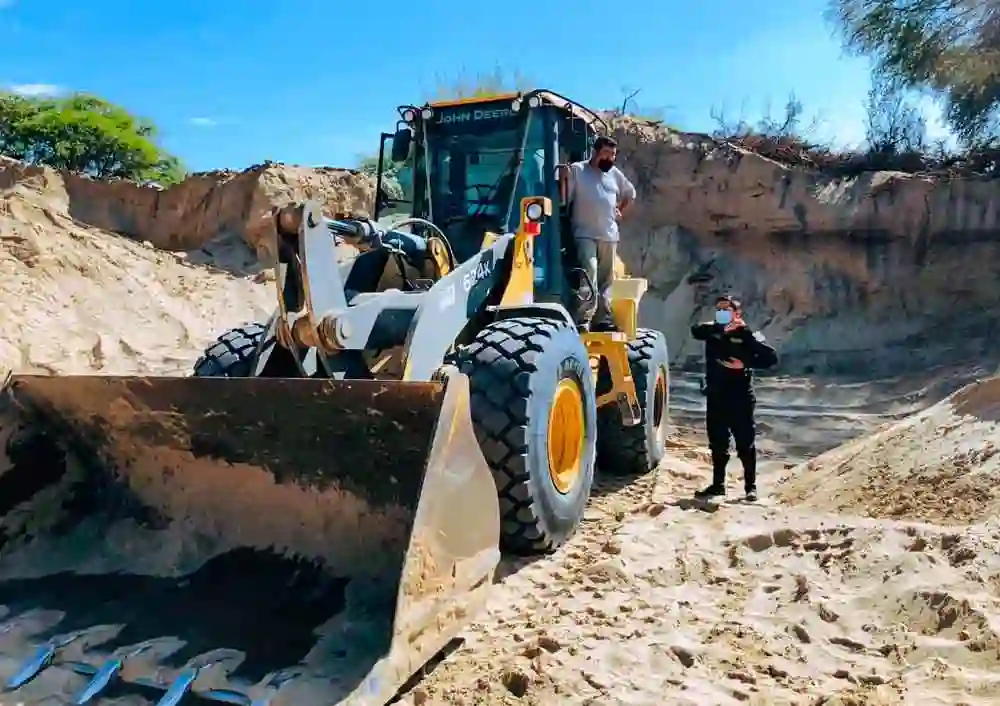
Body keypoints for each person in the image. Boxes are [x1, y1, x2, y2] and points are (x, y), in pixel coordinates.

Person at [690, 295, 778, 502]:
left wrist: (745, 363)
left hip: (740, 397)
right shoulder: (712, 331)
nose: (721, 313)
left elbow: (770, 358)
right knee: (717, 443)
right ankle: (718, 485)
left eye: (726, 310)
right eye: (718, 309)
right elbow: (696, 330)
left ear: (737, 313)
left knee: (745, 443)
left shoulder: (747, 334)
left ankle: (750, 487)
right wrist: (721, 328)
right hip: (716, 395)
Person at [564, 135, 637, 332]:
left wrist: (620, 209)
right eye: (606, 153)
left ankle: (602, 319)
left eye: (613, 155)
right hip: (584, 233)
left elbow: (631, 194)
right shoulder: (578, 170)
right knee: (590, 273)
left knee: (606, 281)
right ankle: (584, 319)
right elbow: (565, 200)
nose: (610, 158)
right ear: (595, 152)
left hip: (609, 235)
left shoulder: (615, 174)